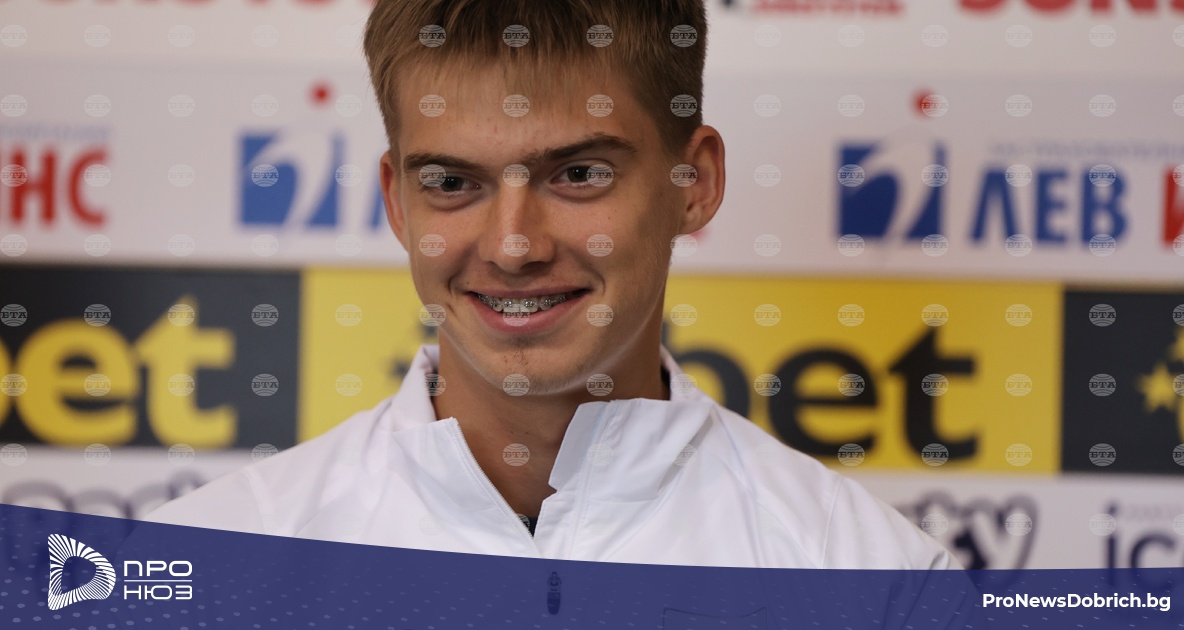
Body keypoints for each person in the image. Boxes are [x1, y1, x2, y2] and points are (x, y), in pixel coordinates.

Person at [147, 0, 959, 570]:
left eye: (577, 174)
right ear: (397, 201)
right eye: (452, 183)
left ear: (694, 181)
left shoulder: (868, 578)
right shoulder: (211, 564)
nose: (513, 247)